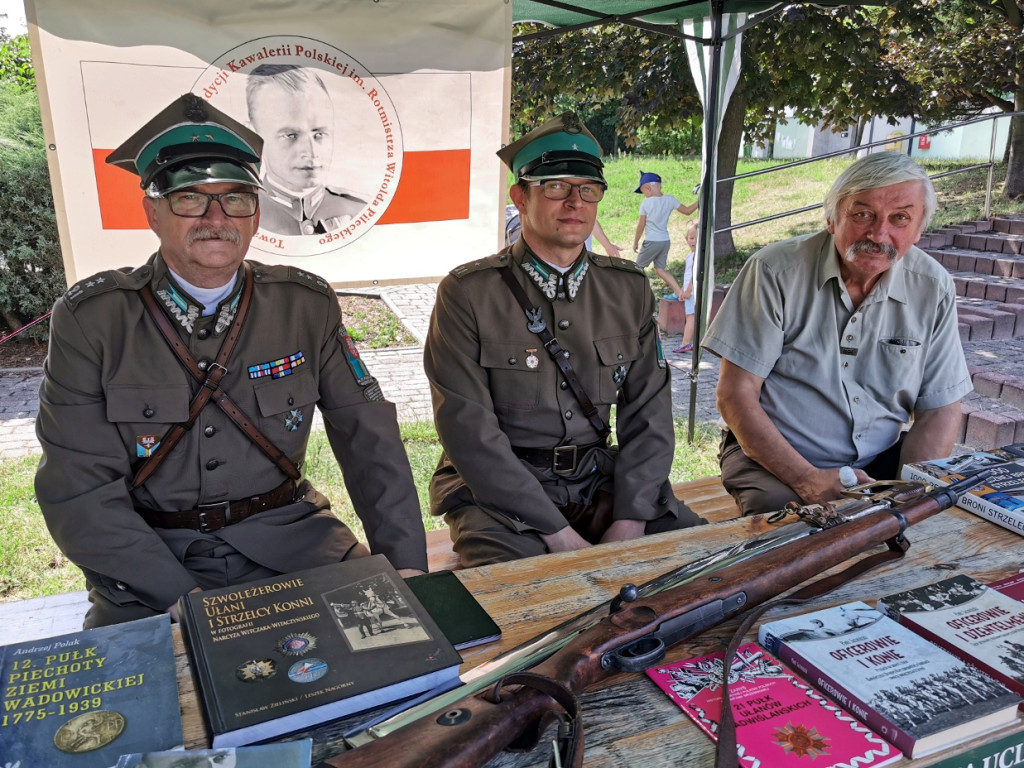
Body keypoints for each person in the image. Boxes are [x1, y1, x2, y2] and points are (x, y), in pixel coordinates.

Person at [35, 94, 427, 629]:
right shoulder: (93, 320)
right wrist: (187, 602)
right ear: (152, 210)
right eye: (190, 198)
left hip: (295, 543)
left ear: (256, 211)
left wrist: (405, 565)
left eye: (236, 198)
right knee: (147, 705)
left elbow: (370, 439)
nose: (216, 218)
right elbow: (78, 490)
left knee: (402, 670)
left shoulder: (303, 304)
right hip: (153, 567)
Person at [423, 111, 705, 567]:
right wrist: (557, 535)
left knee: (698, 564)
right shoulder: (469, 293)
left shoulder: (627, 288)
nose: (574, 202)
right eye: (555, 187)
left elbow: (649, 412)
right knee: (523, 595)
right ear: (520, 196)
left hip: (599, 480)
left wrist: (631, 517)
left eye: (587, 189)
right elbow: (468, 431)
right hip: (499, 497)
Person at [702, 152, 971, 516]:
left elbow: (940, 409)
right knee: (784, 523)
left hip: (878, 459)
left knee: (927, 527)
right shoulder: (775, 272)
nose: (878, 234)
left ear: (919, 228)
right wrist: (806, 479)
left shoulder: (933, 286)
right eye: (862, 215)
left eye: (900, 218)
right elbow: (735, 395)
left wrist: (912, 492)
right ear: (832, 219)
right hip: (772, 458)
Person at [245, 64, 366, 236]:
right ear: (253, 135)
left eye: (319, 134)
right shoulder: (236, 215)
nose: (311, 151)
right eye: (291, 135)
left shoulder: (359, 210)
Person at [632, 170, 698, 300]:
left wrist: (635, 242)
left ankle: (635, 295)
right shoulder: (669, 199)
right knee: (659, 269)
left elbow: (641, 225)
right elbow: (688, 211)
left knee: (637, 269)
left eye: (643, 191)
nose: (644, 194)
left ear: (648, 188)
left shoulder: (646, 203)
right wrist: (700, 200)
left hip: (651, 241)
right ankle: (679, 292)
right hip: (665, 241)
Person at [672, 221, 699, 354]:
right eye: (692, 238)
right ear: (686, 239)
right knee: (692, 316)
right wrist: (683, 290)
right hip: (689, 291)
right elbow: (688, 274)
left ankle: (685, 343)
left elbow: (695, 274)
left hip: (693, 292)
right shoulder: (691, 255)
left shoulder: (697, 256)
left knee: (691, 317)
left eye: (697, 238)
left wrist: (688, 290)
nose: (693, 241)